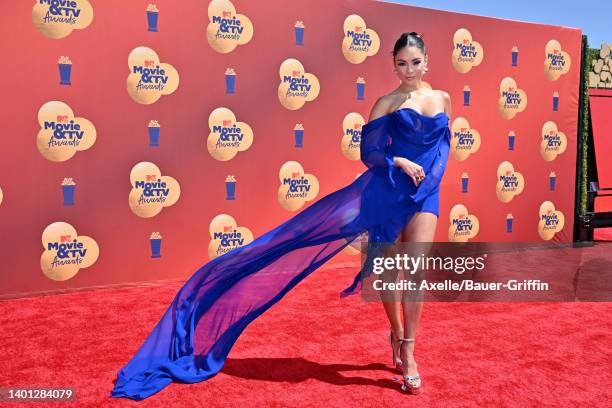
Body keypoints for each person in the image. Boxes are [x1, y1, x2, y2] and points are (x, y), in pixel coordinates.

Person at [111, 31, 451, 400]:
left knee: (415, 272)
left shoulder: (442, 98)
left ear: (426, 61)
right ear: (393, 64)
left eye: (415, 62)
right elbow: (368, 153)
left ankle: (409, 351)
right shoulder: (387, 102)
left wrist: (429, 180)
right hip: (387, 192)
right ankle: (396, 331)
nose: (408, 70)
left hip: (425, 194)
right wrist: (398, 161)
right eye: (401, 63)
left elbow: (443, 147)